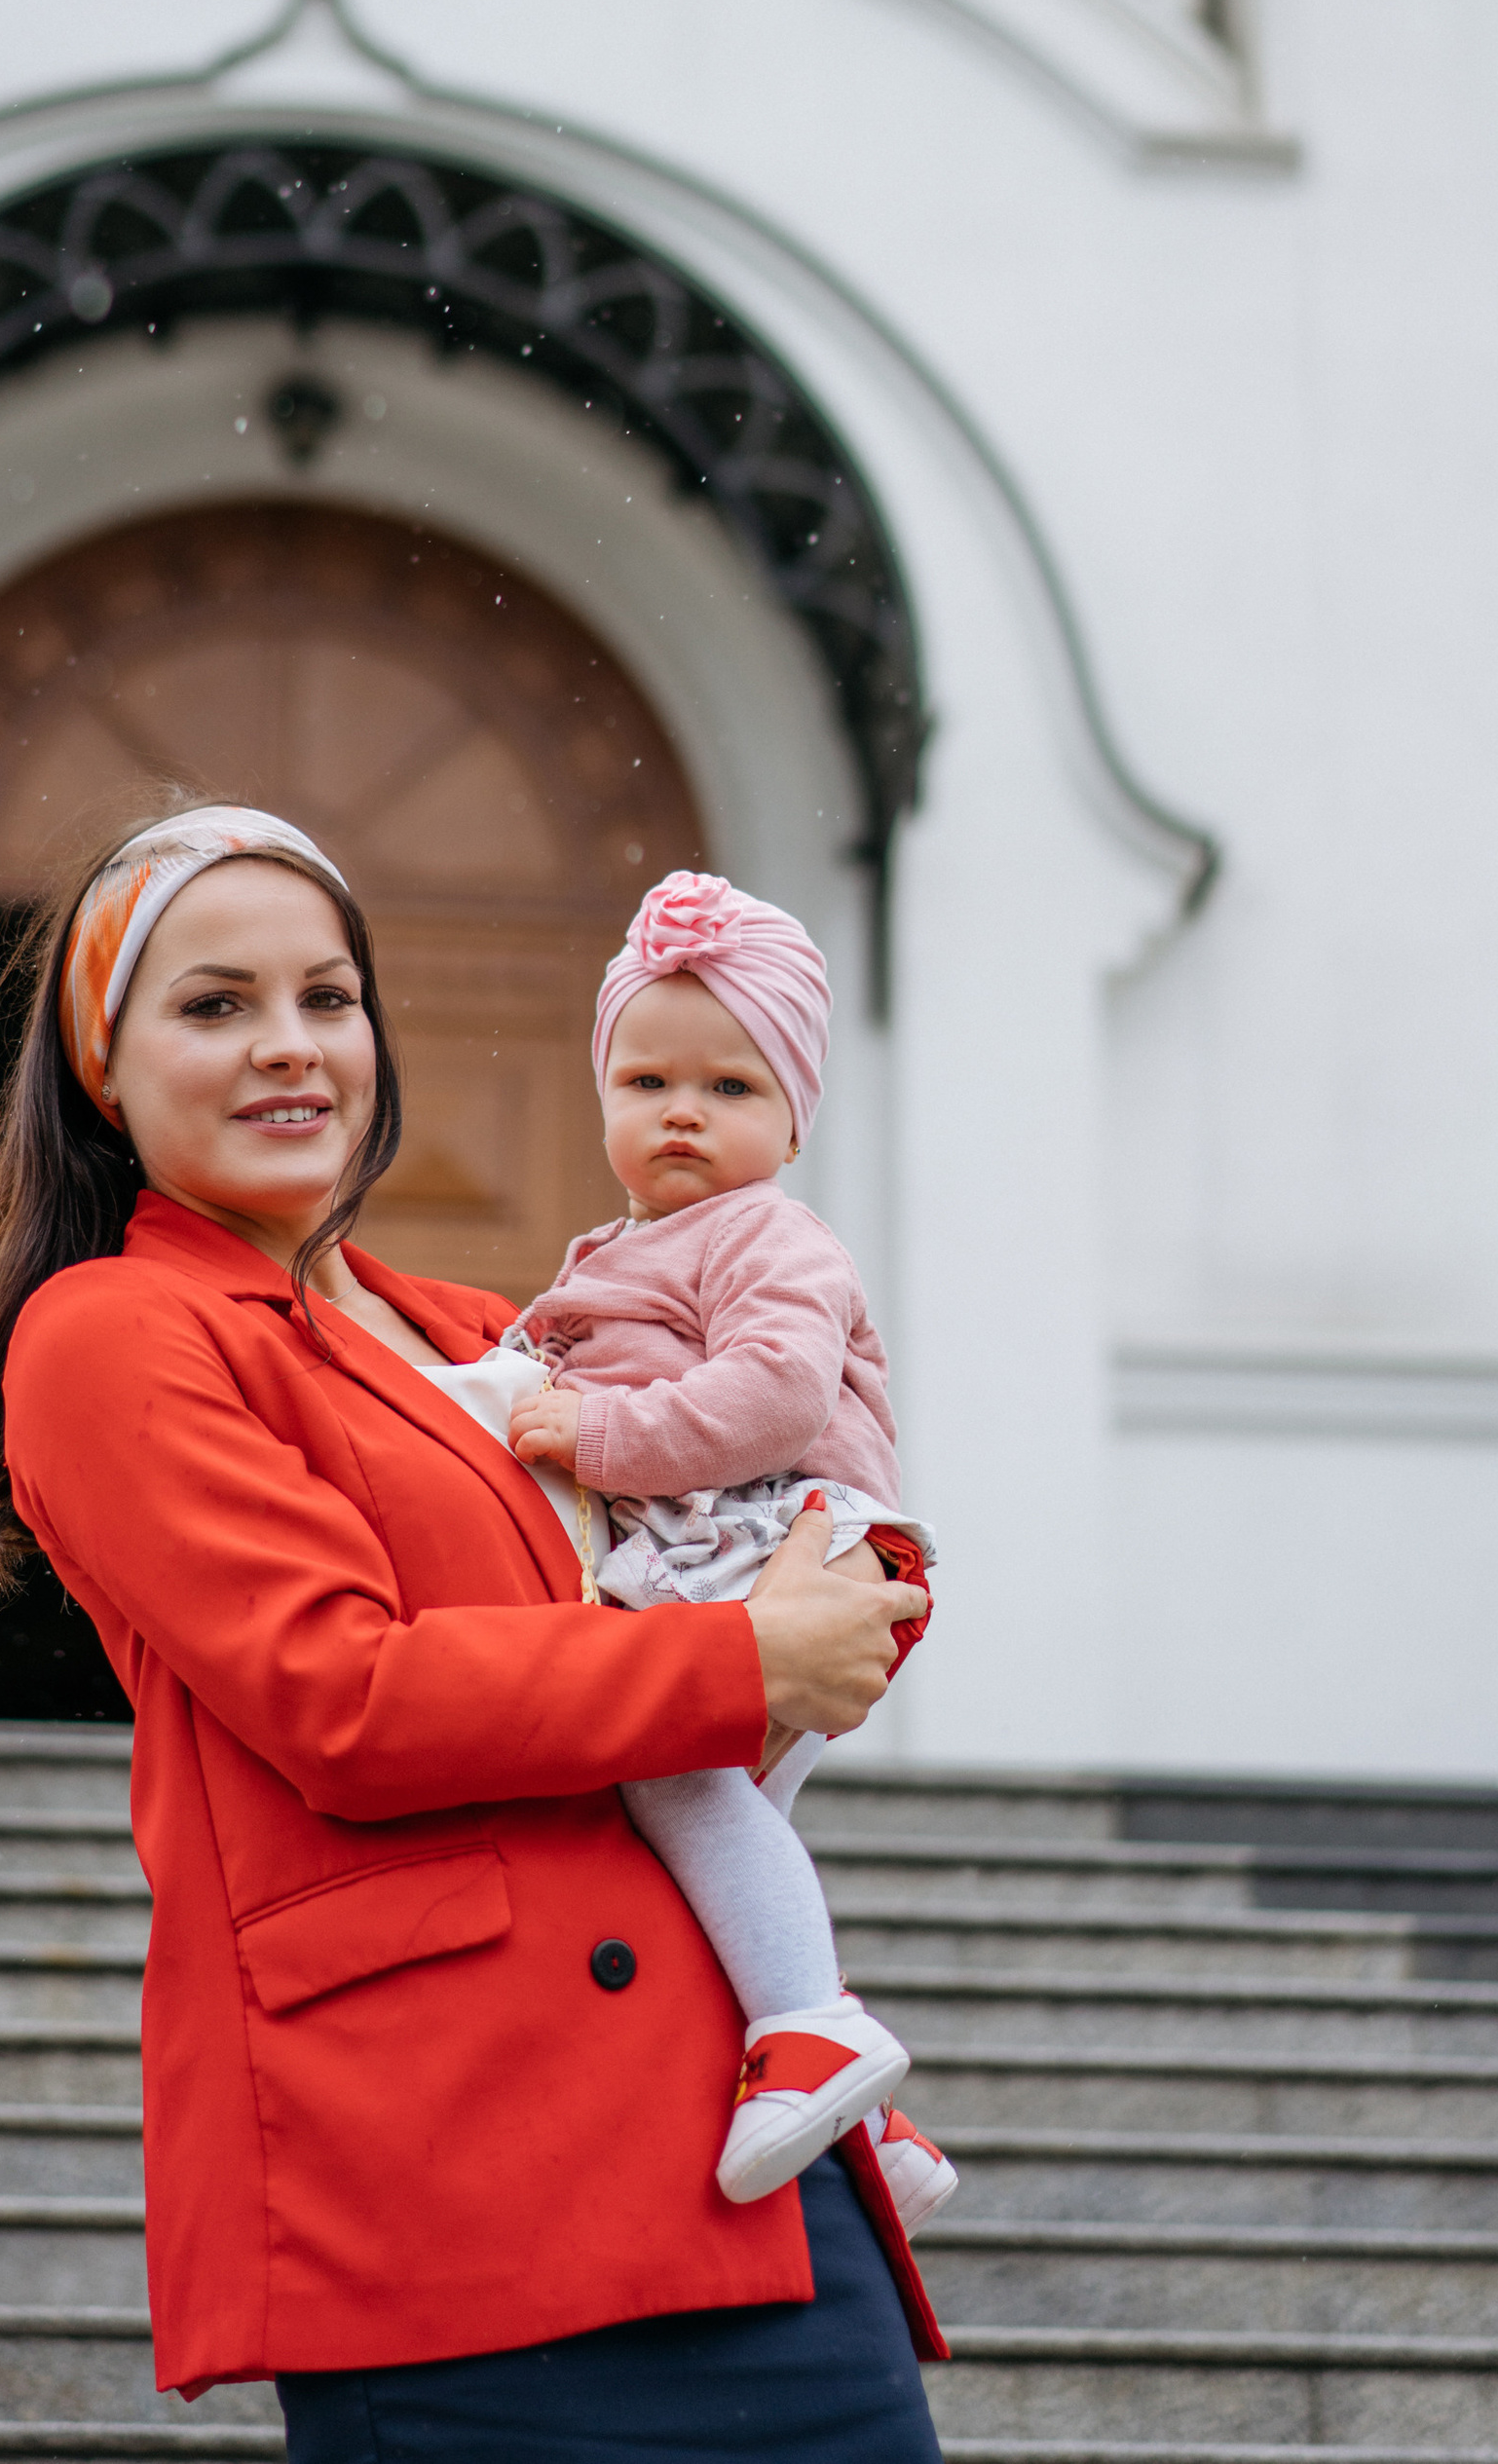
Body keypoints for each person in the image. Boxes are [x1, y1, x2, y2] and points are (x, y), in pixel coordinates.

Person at [0, 798, 944, 2457]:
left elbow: (736, 1493)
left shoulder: (478, 1325)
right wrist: (745, 1659)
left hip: (732, 2146)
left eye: (329, 997)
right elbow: (345, 1697)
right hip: (465, 2177)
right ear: (102, 1064)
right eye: (216, 1003)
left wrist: (854, 1568)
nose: (292, 1048)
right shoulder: (108, 1330)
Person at [504, 870, 957, 2224]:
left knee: (673, 1774)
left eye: (732, 1087)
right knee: (726, 1829)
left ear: (795, 1120)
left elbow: (773, 1397)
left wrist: (593, 1429)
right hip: (726, 1547)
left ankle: (812, 2030)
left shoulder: (773, 1235)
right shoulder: (628, 1243)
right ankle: (862, 2111)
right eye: (646, 1081)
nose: (683, 1111)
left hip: (790, 1542)